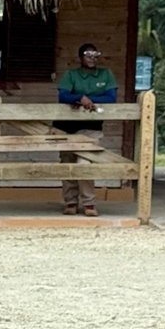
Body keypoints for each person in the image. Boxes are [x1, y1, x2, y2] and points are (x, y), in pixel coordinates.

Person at [56, 42, 118, 216]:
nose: (91, 58)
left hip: (91, 126)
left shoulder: (105, 75)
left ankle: (89, 203)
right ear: (81, 57)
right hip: (66, 126)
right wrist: (79, 98)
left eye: (94, 55)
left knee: (85, 162)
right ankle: (70, 202)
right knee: (68, 162)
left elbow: (111, 98)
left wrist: (88, 99)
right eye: (87, 55)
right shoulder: (71, 74)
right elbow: (63, 95)